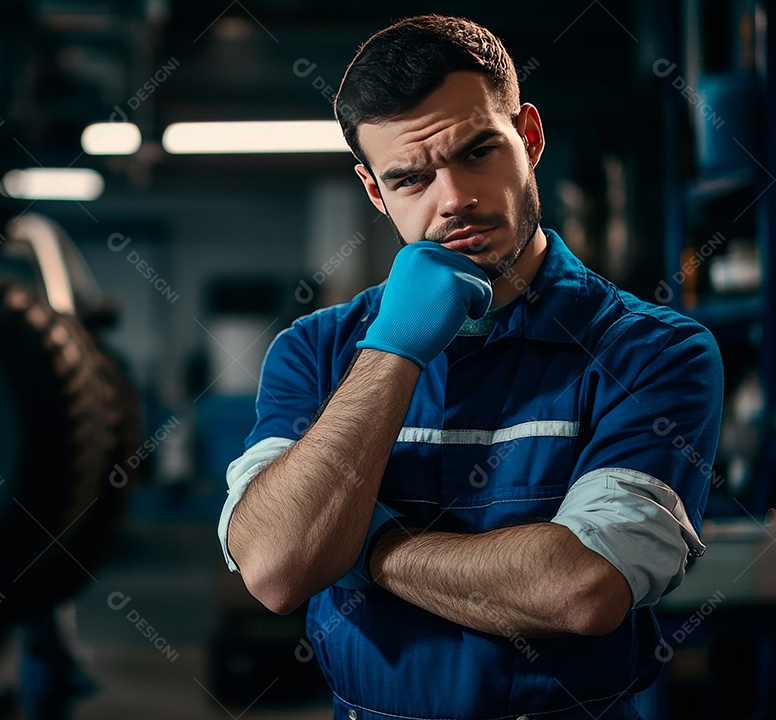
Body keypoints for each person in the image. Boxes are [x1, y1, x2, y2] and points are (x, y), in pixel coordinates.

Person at [217, 14, 723, 720]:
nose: (453, 199)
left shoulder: (653, 351)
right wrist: (392, 351)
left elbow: (582, 589)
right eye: (411, 178)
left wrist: (367, 545)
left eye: (479, 151)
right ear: (374, 192)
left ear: (530, 138)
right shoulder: (316, 350)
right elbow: (275, 568)